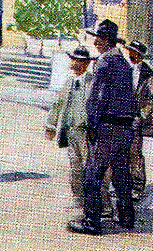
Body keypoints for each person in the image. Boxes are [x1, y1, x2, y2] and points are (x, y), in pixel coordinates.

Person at [68, 20, 138, 236]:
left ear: (106, 41)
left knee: (92, 176)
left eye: (99, 38)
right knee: (121, 175)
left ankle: (92, 222)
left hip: (107, 127)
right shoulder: (125, 64)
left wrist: (92, 124)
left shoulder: (104, 63)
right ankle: (126, 218)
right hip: (125, 128)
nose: (96, 41)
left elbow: (98, 98)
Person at [45, 47, 109, 216]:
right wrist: (51, 125)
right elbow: (58, 104)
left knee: (92, 168)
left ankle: (99, 203)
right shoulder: (70, 82)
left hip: (87, 132)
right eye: (73, 60)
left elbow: (100, 106)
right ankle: (78, 197)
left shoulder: (93, 82)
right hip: (71, 131)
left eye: (80, 61)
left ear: (87, 64)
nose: (75, 63)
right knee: (75, 166)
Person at [123, 40, 153, 199]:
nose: (131, 54)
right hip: (122, 119)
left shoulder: (149, 75)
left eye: (135, 53)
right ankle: (123, 185)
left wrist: (143, 112)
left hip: (136, 121)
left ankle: (137, 187)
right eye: (130, 51)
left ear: (141, 56)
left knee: (135, 155)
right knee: (121, 154)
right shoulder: (124, 70)